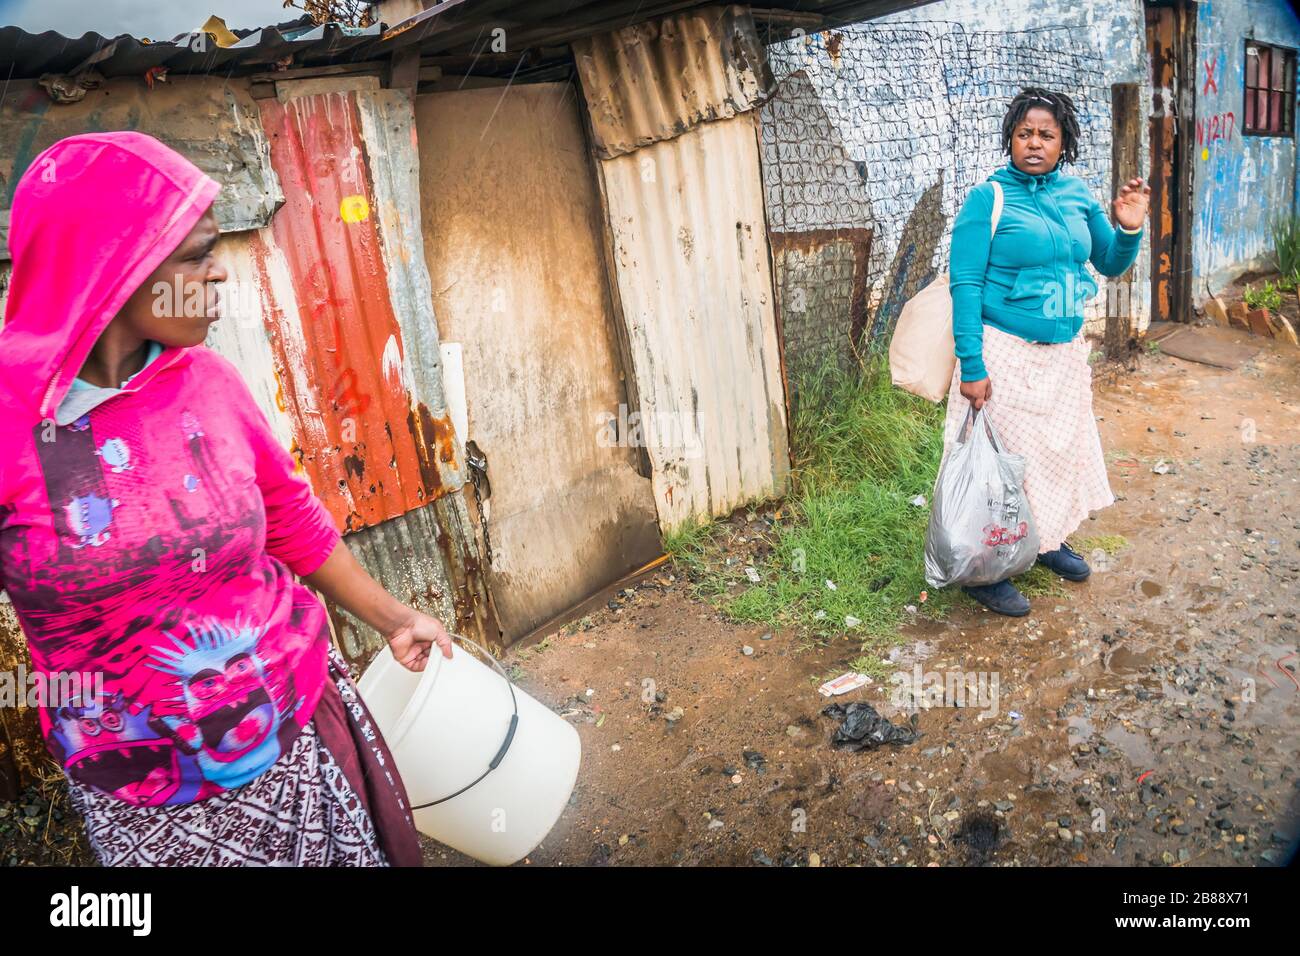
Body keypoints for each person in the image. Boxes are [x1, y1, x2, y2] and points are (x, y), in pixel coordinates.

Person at [0, 131, 455, 865]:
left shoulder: (207, 383)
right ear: (113, 267)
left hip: (297, 737)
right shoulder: (10, 418)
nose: (219, 278)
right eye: (196, 256)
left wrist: (397, 619)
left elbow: (293, 524)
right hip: (146, 796)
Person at [945, 87, 1150, 616]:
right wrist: (972, 363)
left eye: (1046, 135)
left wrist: (1128, 226)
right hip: (1003, 350)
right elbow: (965, 284)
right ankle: (985, 570)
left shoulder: (1077, 195)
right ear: (1011, 139)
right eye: (1024, 134)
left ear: (1063, 143)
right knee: (1001, 465)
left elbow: (1109, 262)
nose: (1034, 143)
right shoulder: (988, 199)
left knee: (1053, 458)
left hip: (1061, 355)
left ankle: (1045, 542)